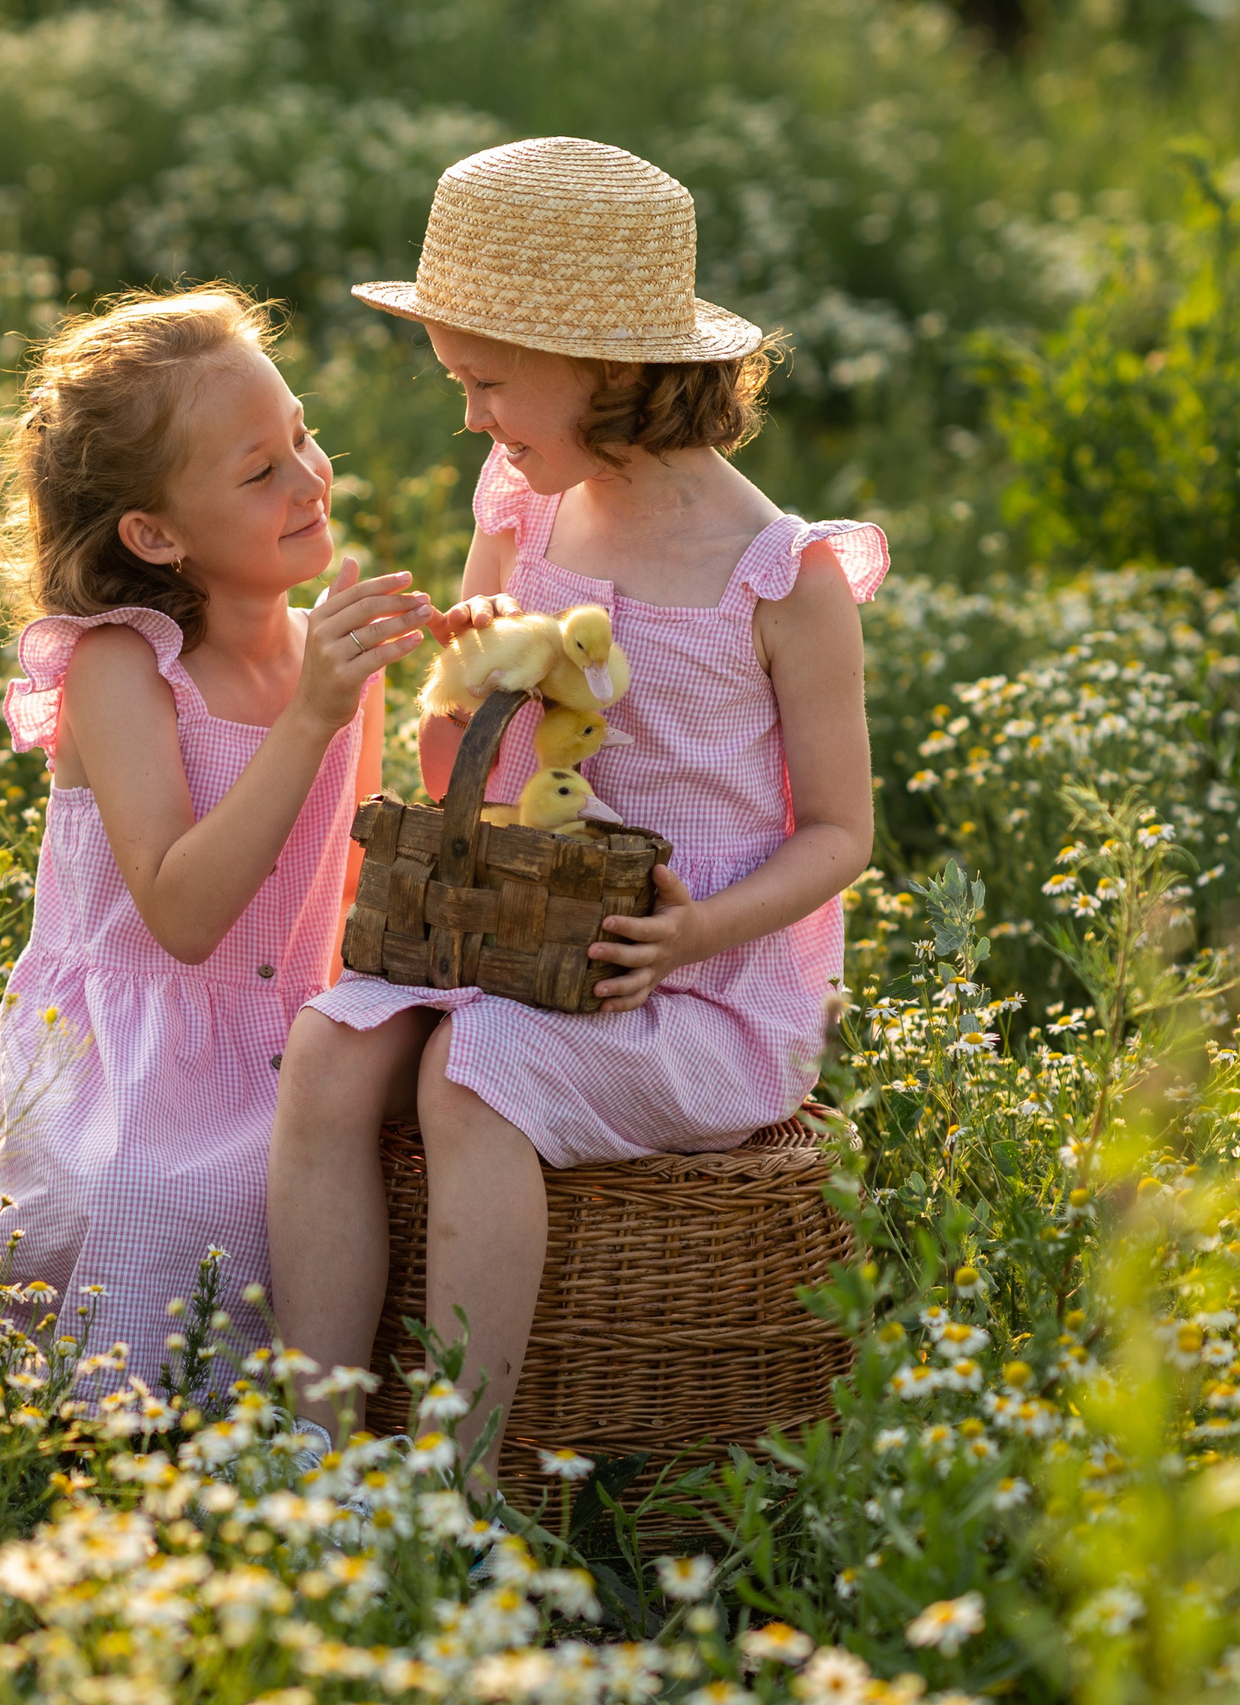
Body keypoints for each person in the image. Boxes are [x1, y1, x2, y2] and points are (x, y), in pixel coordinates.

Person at [268, 138, 889, 1483]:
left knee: (472, 1070)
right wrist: (456, 680)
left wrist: (695, 931)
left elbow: (843, 833)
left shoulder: (780, 577)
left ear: (603, 370)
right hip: (506, 926)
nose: (471, 418)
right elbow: (459, 765)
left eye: (487, 383)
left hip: (690, 981)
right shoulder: (523, 506)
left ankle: (454, 1477)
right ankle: (310, 1445)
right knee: (326, 1048)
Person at [0, 285, 433, 1401]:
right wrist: (311, 715)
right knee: (170, 1197)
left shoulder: (327, 659)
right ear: (155, 535)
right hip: (136, 1056)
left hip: (292, 1037)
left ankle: (337, 1424)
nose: (309, 477)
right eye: (259, 472)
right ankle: (147, 1430)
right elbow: (183, 916)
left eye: (303, 434)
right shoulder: (122, 666)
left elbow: (346, 892)